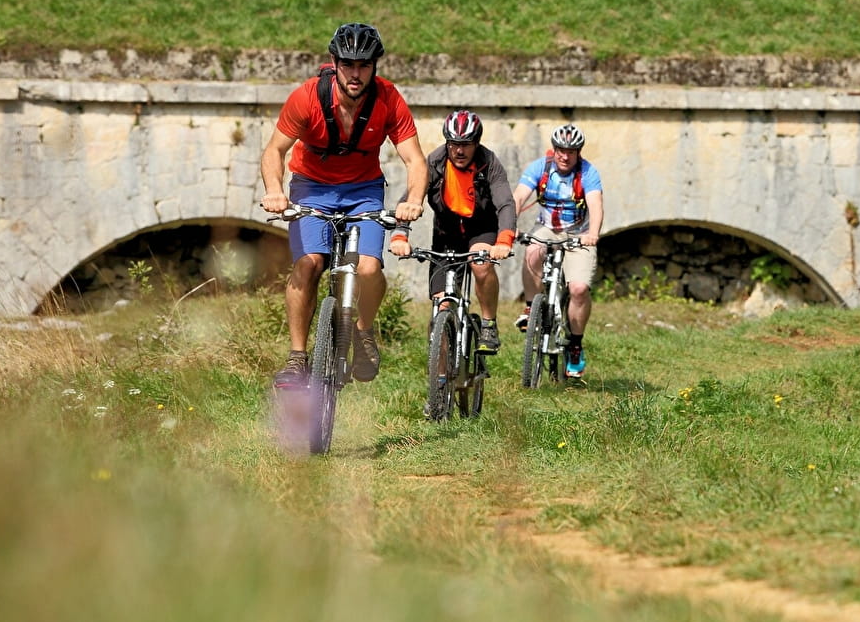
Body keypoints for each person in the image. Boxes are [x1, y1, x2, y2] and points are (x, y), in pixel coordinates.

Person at [259, 22, 427, 389]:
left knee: (367, 269)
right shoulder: (307, 98)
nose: (356, 73)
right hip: (311, 188)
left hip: (364, 191)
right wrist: (275, 189)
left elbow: (415, 161)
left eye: (364, 65)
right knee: (308, 263)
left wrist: (413, 200)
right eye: (348, 63)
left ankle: (363, 333)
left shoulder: (388, 100)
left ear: (375, 66)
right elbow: (275, 149)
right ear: (334, 62)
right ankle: (297, 357)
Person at [388, 110, 515, 353]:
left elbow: (506, 203)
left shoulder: (489, 163)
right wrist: (400, 234)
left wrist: (504, 239)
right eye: (454, 144)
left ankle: (488, 324)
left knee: (480, 263)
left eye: (466, 145)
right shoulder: (435, 162)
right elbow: (411, 198)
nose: (459, 150)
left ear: (476, 144)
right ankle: (441, 377)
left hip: (481, 230)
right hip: (446, 234)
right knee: (441, 306)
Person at [510, 123, 604, 378]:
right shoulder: (540, 167)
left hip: (578, 233)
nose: (565, 156)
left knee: (578, 289)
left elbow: (595, 205)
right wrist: (510, 227)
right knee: (532, 251)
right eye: (561, 150)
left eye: (571, 151)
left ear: (578, 153)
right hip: (547, 228)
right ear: (554, 150)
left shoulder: (588, 173)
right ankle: (531, 308)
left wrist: (592, 234)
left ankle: (575, 345)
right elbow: (518, 197)